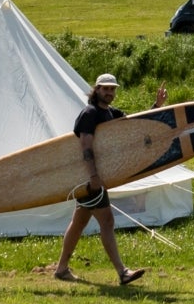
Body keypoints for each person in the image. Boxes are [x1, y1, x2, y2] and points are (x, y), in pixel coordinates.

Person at [52, 73, 144, 287]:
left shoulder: (111, 113)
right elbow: (85, 146)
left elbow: (136, 125)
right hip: (90, 177)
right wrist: (93, 175)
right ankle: (122, 272)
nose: (109, 92)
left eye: (112, 89)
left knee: (79, 222)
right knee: (107, 221)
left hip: (97, 177)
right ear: (97, 90)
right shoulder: (90, 113)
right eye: (105, 89)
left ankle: (61, 269)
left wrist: (156, 105)